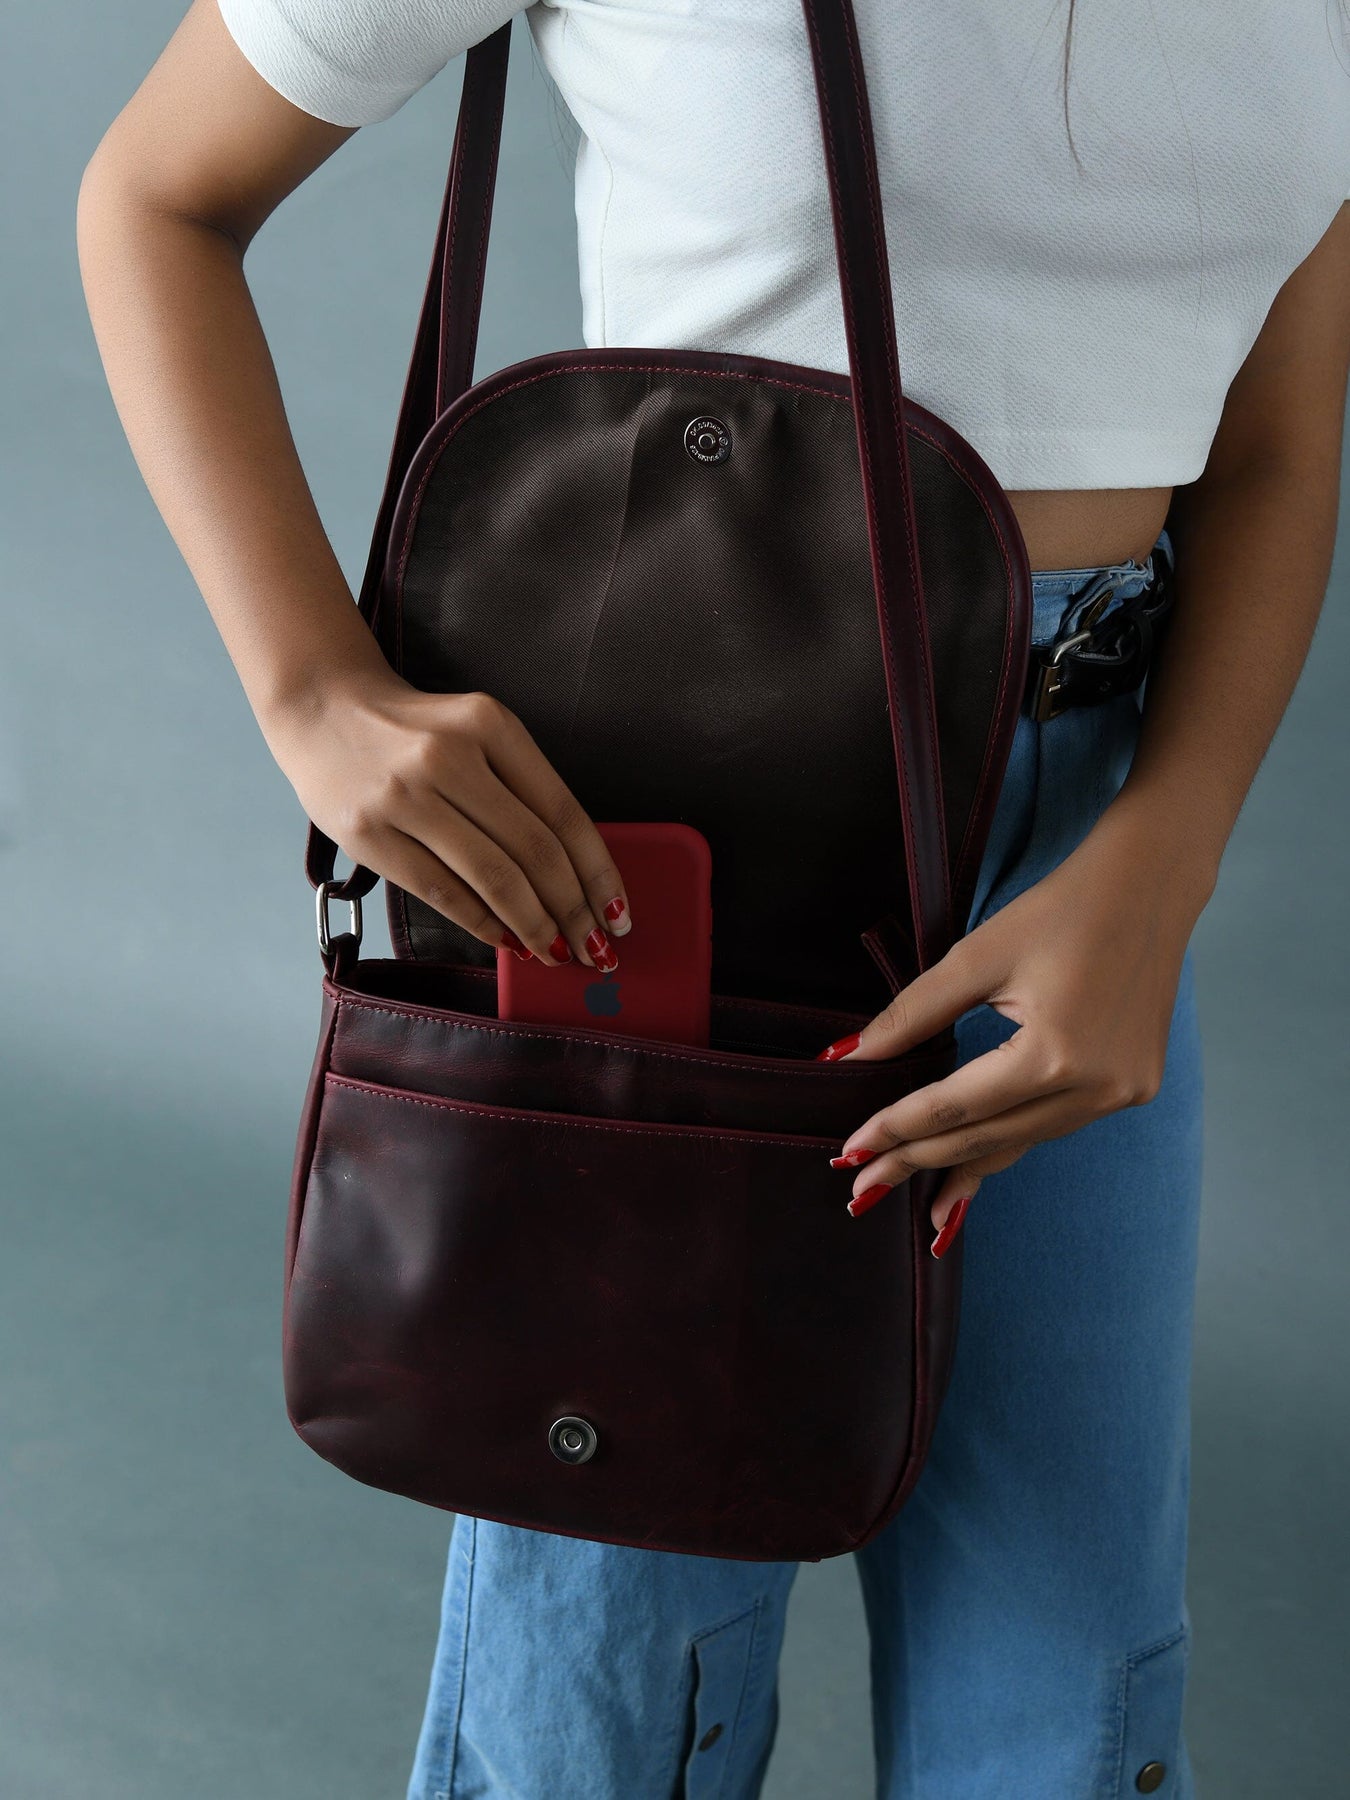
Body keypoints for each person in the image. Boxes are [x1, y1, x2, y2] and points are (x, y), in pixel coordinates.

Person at [76, 2, 1349, 1794]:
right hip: (693, 840)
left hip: (1088, 857)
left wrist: (1170, 844)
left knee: (1067, 1699)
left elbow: (1277, 434)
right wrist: (311, 683)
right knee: (605, 1688)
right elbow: (155, 192)